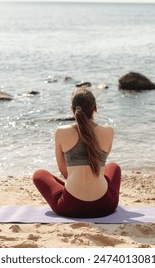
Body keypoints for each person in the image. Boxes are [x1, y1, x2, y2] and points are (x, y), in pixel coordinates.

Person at [33, 88, 121, 218]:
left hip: (70, 206)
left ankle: (75, 186)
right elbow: (100, 168)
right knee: (113, 167)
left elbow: (63, 170)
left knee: (39, 174)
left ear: (73, 109)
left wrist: (77, 183)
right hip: (104, 206)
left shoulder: (61, 132)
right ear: (95, 108)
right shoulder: (108, 131)